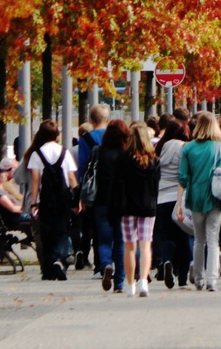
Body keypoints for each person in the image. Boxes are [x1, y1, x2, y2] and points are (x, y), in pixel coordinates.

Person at [179, 111, 221, 292]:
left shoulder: (188, 148)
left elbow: (183, 177)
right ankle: (212, 280)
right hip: (215, 197)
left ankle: (198, 278)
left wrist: (181, 198)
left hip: (195, 197)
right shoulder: (220, 147)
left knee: (199, 239)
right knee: (213, 239)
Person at [23, 120, 79, 281]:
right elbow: (71, 177)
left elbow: (35, 180)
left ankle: (48, 270)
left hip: (45, 199)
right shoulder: (64, 152)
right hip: (63, 198)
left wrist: (34, 202)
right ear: (56, 135)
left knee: (46, 234)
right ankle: (59, 260)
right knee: (62, 232)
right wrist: (77, 198)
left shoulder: (36, 154)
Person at [113, 121, 160, 297]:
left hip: (127, 207)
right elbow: (156, 186)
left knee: (129, 247)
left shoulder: (123, 159)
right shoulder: (154, 161)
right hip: (148, 207)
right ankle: (143, 282)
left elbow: (117, 185)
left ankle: (130, 284)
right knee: (146, 245)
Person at [91, 119, 129, 292]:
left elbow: (88, 173)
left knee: (104, 240)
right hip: (121, 202)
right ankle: (119, 284)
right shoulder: (126, 154)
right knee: (120, 241)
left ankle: (106, 264)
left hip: (102, 201)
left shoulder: (99, 152)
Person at [153, 115, 192, 288]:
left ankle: (167, 260)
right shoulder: (186, 148)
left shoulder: (159, 147)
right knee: (183, 237)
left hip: (162, 197)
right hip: (180, 197)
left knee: (167, 236)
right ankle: (182, 279)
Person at [75, 105, 110, 271]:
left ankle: (100, 264)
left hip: (95, 188)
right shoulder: (115, 136)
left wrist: (82, 190)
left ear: (91, 120)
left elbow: (82, 166)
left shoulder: (86, 139)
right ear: (107, 119)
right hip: (114, 185)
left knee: (96, 226)